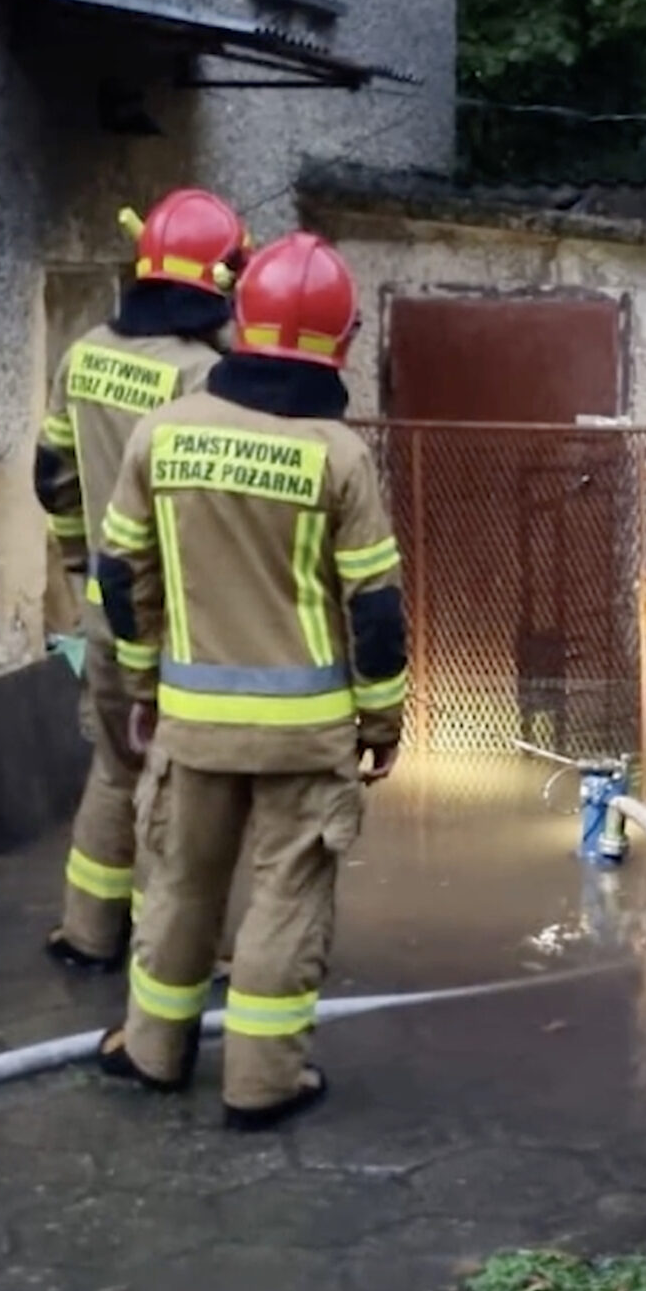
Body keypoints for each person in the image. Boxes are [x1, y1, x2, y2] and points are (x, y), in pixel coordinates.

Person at [91, 230, 407, 1131]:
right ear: (337, 343)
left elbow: (121, 577)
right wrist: (382, 719)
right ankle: (263, 1084)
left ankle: (153, 1055)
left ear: (241, 319)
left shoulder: (165, 432)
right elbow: (375, 609)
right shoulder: (337, 456)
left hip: (191, 725)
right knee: (283, 898)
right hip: (306, 737)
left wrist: (146, 685)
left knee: (180, 884)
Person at [36, 189, 251, 973]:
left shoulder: (84, 352)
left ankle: (86, 934)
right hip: (178, 623)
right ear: (213, 285)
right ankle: (169, 953)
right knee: (179, 789)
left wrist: (74, 568)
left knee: (113, 767)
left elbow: (52, 476)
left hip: (103, 601)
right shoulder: (204, 379)